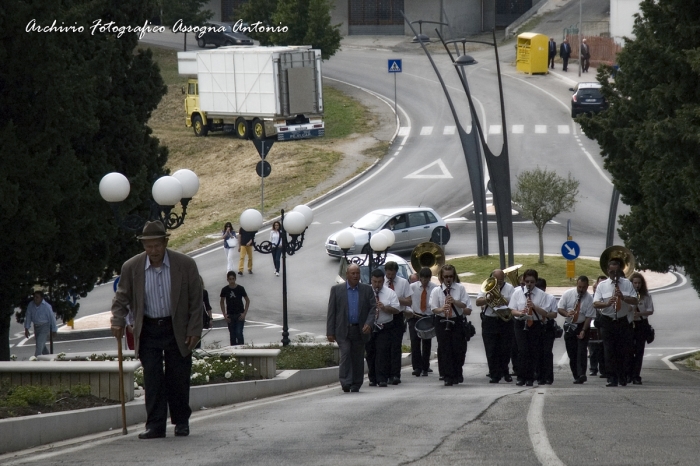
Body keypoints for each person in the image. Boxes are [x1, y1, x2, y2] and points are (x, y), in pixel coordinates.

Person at [110, 220, 203, 439]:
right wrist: (117, 320)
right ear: (143, 245)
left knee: (178, 377)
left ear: (165, 242)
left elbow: (195, 301)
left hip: (176, 328)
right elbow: (121, 296)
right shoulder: (131, 267)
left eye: (157, 245)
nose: (153, 251)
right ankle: (155, 425)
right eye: (148, 246)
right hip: (149, 328)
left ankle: (181, 422)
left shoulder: (185, 265)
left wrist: (195, 330)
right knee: (152, 378)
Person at [326, 263, 375, 393]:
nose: (355, 275)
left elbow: (373, 309)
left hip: (360, 330)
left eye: (357, 273)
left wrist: (369, 323)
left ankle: (356, 383)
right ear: (347, 275)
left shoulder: (367, 290)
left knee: (358, 357)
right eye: (352, 273)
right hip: (343, 330)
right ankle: (346, 382)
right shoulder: (336, 290)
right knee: (346, 353)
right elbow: (331, 312)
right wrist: (330, 332)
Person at [593, 258, 638, 387]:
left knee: (623, 350)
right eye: (612, 272)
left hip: (622, 321)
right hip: (607, 320)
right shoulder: (602, 285)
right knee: (609, 350)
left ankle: (622, 376)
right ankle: (612, 377)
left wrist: (623, 297)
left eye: (617, 271)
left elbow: (635, 300)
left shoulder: (627, 284)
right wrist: (607, 303)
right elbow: (595, 303)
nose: (615, 274)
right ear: (608, 271)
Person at [430, 264, 471, 386]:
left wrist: (454, 301)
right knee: (445, 349)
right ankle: (448, 376)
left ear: (454, 276)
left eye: (451, 276)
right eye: (446, 277)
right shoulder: (436, 291)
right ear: (441, 277)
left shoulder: (460, 288)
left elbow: (465, 305)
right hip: (442, 322)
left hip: (456, 321)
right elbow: (433, 309)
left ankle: (458, 372)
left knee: (458, 349)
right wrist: (442, 308)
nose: (448, 279)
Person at [509, 269, 549, 387]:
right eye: (527, 282)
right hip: (521, 323)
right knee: (522, 351)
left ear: (535, 282)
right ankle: (521, 377)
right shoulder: (517, 292)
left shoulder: (541, 294)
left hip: (535, 324)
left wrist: (534, 307)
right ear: (523, 281)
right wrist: (520, 313)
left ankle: (530, 378)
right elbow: (512, 310)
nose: (529, 284)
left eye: (532, 282)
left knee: (533, 351)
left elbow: (545, 312)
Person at [476, 269, 515, 384]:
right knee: (491, 349)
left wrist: (503, 301)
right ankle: (494, 374)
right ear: (492, 278)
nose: (498, 284)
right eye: (497, 281)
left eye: (501, 281)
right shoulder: (487, 285)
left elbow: (514, 303)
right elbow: (478, 302)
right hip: (490, 320)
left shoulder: (509, 288)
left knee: (505, 349)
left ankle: (505, 371)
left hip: (505, 321)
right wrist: (488, 299)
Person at [365, 269, 400, 387]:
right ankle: (372, 378)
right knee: (370, 352)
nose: (377, 285)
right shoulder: (366, 292)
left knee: (382, 352)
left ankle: (382, 378)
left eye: (379, 282)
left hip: (384, 326)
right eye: (374, 282)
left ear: (383, 280)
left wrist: (385, 308)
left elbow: (396, 310)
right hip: (370, 326)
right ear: (371, 280)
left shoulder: (390, 293)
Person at [558, 276, 595, 384]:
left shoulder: (589, 299)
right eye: (579, 287)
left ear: (587, 287)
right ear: (577, 285)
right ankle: (576, 374)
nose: (581, 289)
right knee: (572, 353)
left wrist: (583, 330)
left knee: (582, 351)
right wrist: (566, 313)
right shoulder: (568, 294)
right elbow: (560, 308)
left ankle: (582, 374)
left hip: (582, 325)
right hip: (570, 325)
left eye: (584, 287)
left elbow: (589, 317)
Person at [384, 261, 412, 385]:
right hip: (384, 316)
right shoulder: (381, 282)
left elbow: (409, 301)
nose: (390, 276)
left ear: (396, 272)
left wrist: (395, 298)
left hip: (397, 316)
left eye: (392, 274)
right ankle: (385, 373)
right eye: (388, 274)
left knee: (395, 346)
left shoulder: (403, 282)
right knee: (385, 346)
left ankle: (395, 374)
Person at [408, 267, 437, 377]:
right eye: (422, 279)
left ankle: (425, 367)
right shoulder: (412, 287)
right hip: (415, 316)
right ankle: (417, 367)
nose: (424, 282)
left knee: (426, 343)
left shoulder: (434, 288)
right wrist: (409, 311)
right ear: (419, 278)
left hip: (427, 317)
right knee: (414, 342)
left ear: (430, 278)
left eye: (426, 279)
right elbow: (408, 300)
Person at [629, 272, 654, 385]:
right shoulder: (628, 295)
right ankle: (628, 373)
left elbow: (650, 310)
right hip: (629, 324)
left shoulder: (646, 295)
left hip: (641, 323)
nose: (637, 285)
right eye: (635, 283)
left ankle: (636, 375)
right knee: (629, 350)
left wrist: (639, 314)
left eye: (639, 283)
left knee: (639, 351)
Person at [536, 278, 559, 385]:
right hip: (536, 326)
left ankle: (549, 376)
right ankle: (540, 376)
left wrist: (544, 314)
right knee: (538, 352)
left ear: (545, 288)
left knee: (547, 352)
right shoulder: (534, 299)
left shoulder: (550, 298)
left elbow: (554, 314)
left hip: (548, 327)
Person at [24, 290, 58, 357]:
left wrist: (54, 330)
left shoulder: (47, 307)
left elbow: (52, 318)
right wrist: (26, 328)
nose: (35, 298)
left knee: (39, 344)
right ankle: (49, 358)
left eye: (37, 297)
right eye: (34, 297)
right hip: (36, 326)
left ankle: (35, 360)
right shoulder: (31, 305)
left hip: (44, 326)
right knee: (42, 345)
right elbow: (28, 316)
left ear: (41, 298)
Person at [220, 271, 249, 346]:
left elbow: (247, 300)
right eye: (230, 279)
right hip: (230, 315)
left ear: (235, 279)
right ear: (227, 280)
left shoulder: (240, 288)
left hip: (239, 314)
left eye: (233, 279)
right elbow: (222, 302)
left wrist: (244, 313)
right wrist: (225, 315)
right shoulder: (225, 290)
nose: (232, 281)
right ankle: (233, 352)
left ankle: (242, 349)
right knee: (232, 335)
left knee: (239, 333)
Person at [588, 275, 607, 377]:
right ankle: (593, 368)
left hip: (605, 323)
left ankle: (604, 369)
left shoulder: (608, 295)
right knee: (593, 347)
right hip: (594, 322)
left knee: (604, 348)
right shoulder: (593, 297)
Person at [196, 276, 213, 350]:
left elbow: (207, 306)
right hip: (194, 315)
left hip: (200, 315)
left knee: (197, 334)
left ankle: (197, 349)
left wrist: (210, 318)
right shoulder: (190, 292)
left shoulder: (204, 292)